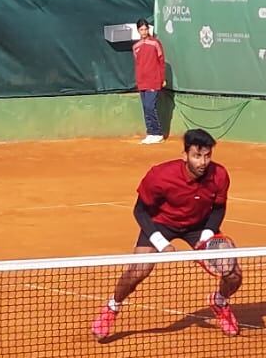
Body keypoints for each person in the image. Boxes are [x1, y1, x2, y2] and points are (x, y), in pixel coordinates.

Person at [92, 128, 242, 341]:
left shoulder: (219, 175)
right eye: (197, 156)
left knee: (233, 274)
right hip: (161, 224)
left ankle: (220, 302)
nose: (202, 162)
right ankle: (112, 307)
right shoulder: (160, 175)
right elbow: (140, 211)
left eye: (207, 156)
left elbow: (218, 208)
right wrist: (161, 243)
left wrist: (207, 235)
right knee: (138, 271)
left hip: (199, 226)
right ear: (185, 156)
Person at [132, 18, 167, 144]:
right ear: (138, 31)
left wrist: (162, 78)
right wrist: (138, 80)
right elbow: (138, 64)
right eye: (141, 29)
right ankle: (150, 133)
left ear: (148, 29)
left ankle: (157, 133)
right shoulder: (135, 47)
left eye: (145, 29)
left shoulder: (155, 43)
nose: (144, 31)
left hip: (154, 80)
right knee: (145, 108)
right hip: (142, 82)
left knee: (150, 106)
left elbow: (161, 62)